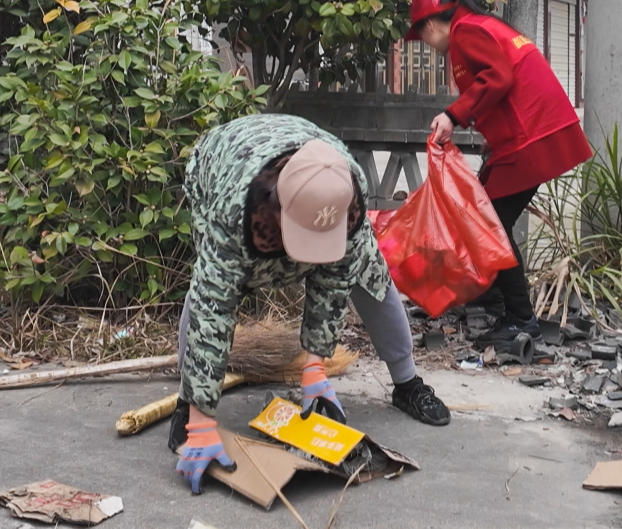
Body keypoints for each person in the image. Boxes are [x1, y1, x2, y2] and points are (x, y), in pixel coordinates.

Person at [171, 113, 450, 495]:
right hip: (223, 165)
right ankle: (189, 405)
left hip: (310, 175)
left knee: (368, 273)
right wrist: (203, 422)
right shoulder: (234, 212)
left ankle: (407, 383)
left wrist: (315, 368)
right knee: (214, 286)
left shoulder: (346, 193)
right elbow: (212, 309)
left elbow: (334, 283)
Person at [405, 0, 593, 344]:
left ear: (430, 25)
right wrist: (493, 134)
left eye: (422, 37)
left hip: (530, 137)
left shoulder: (465, 32)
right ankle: (492, 299)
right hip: (533, 131)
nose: (427, 45)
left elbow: (499, 76)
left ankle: (520, 318)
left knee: (491, 226)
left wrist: (452, 115)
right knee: (485, 217)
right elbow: (509, 83)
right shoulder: (479, 25)